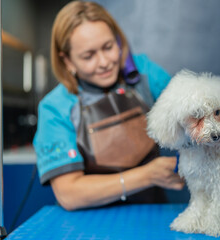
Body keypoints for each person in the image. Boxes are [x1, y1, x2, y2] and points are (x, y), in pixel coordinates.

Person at [33, 1, 184, 211]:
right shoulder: (55, 107)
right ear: (67, 61)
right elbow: (69, 193)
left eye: (108, 47)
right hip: (88, 220)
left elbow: (190, 115)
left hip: (152, 211)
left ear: (118, 40)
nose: (104, 62)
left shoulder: (145, 74)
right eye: (88, 56)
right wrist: (147, 175)